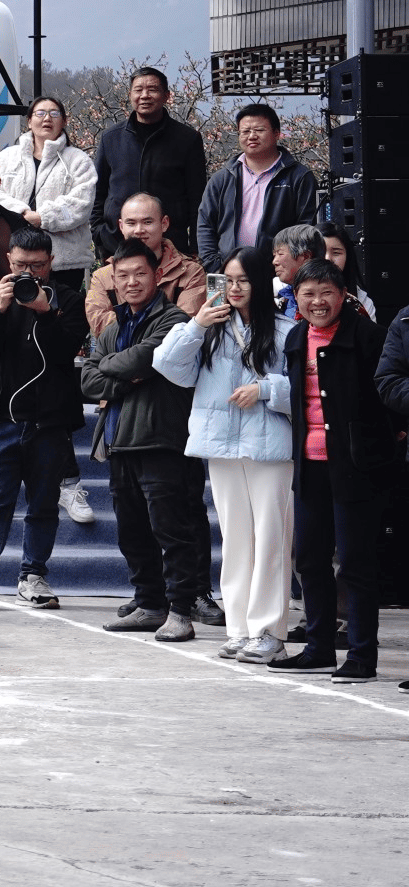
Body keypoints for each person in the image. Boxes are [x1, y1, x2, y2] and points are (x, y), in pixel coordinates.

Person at [159, 249, 295, 662]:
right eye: (227, 280)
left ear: (259, 283)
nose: (234, 289)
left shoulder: (288, 331)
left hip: (271, 447)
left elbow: (308, 393)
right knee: (236, 537)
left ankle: (268, 630)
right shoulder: (209, 329)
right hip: (220, 444)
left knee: (271, 537)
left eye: (243, 280)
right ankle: (238, 629)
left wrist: (267, 389)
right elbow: (167, 367)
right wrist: (195, 325)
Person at [78, 241, 204, 639]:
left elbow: (148, 358)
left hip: (161, 440)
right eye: (123, 275)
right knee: (131, 532)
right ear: (113, 281)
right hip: (118, 440)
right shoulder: (113, 326)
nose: (131, 282)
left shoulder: (175, 321)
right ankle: (149, 603)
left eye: (140, 274)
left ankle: (181, 611)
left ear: (156, 276)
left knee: (172, 530)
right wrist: (125, 375)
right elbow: (86, 379)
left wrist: (116, 369)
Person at [275, 260, 395, 679]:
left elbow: (389, 400)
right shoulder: (295, 339)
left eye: (326, 292)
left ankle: (362, 655)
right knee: (308, 559)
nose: (317, 302)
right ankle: (319, 648)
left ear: (343, 294)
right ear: (298, 298)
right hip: (309, 465)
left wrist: (381, 448)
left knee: (356, 563)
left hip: (355, 468)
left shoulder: (367, 337)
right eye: (308, 293)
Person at [0, 228, 85, 612]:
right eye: (20, 265)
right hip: (0, 421)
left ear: (51, 264)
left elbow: (66, 352)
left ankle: (32, 575)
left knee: (44, 504)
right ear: (8, 263)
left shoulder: (68, 300)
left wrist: (46, 312)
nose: (29, 273)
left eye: (37, 266)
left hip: (49, 423)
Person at [91, 67, 209, 260]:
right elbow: (98, 194)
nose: (144, 95)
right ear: (130, 95)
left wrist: (196, 247)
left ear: (166, 96)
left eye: (152, 89)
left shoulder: (187, 139)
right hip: (117, 247)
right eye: (138, 90)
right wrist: (100, 234)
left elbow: (197, 198)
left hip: (171, 247)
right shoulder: (111, 138)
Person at [195, 102, 319, 274]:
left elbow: (307, 227)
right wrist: (215, 266)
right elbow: (205, 224)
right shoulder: (222, 178)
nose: (252, 136)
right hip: (228, 273)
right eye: (245, 131)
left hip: (278, 275)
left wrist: (288, 268)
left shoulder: (299, 177)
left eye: (259, 130)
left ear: (276, 133)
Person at [0, 96, 98, 291]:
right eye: (40, 113)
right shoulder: (6, 157)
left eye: (54, 113)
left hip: (63, 262)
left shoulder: (79, 160)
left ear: (64, 121)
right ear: (29, 121)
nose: (47, 118)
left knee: (61, 315)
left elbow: (81, 203)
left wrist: (43, 218)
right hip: (14, 260)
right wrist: (23, 213)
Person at [85, 191, 211, 333]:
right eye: (131, 223)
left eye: (147, 222)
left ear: (164, 223)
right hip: (116, 354)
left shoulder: (191, 272)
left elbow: (184, 328)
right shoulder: (103, 277)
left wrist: (131, 327)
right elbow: (100, 325)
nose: (139, 230)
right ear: (121, 226)